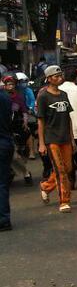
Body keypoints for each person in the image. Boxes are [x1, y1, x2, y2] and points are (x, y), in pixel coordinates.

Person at [38, 66, 76, 213]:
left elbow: (69, 118)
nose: (60, 78)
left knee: (67, 168)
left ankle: (46, 186)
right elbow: (41, 121)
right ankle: (64, 201)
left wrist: (72, 140)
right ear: (49, 79)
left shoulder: (64, 95)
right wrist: (41, 143)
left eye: (60, 75)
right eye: (56, 76)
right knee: (60, 170)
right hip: (51, 139)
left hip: (65, 138)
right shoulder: (43, 96)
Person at [3, 76, 33, 185]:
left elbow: (24, 110)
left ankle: (25, 173)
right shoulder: (3, 97)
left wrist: (25, 122)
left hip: (15, 129)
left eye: (12, 84)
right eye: (8, 84)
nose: (10, 86)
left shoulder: (18, 98)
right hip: (4, 128)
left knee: (14, 156)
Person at [0, 85, 14, 231]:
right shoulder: (6, 97)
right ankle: (4, 219)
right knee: (2, 184)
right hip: (5, 143)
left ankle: (3, 219)